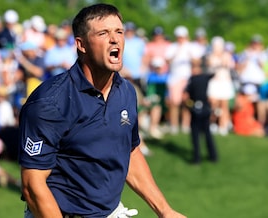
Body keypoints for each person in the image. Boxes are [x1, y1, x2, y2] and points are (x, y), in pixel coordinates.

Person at [18, 3, 186, 218]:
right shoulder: (50, 102)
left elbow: (129, 151)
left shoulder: (126, 91)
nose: (115, 39)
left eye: (119, 32)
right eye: (103, 33)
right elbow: (33, 186)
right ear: (82, 45)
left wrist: (165, 210)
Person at [183, 60, 218, 164]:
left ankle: (197, 158)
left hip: (195, 108)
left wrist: (188, 105)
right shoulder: (206, 78)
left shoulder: (192, 79)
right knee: (207, 133)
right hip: (206, 107)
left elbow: (185, 95)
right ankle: (213, 156)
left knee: (195, 134)